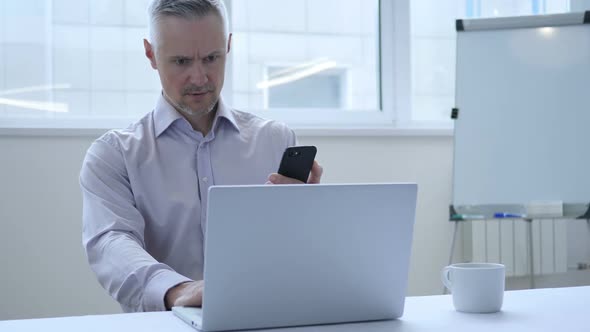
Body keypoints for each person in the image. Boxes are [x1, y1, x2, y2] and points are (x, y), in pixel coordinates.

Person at [80, 0, 323, 313]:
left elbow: (299, 253)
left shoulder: (276, 141)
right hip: (166, 323)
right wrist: (178, 290)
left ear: (228, 46)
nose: (199, 78)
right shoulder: (113, 156)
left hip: (263, 318)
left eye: (211, 58)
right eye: (181, 61)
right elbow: (111, 242)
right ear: (151, 54)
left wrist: (312, 217)